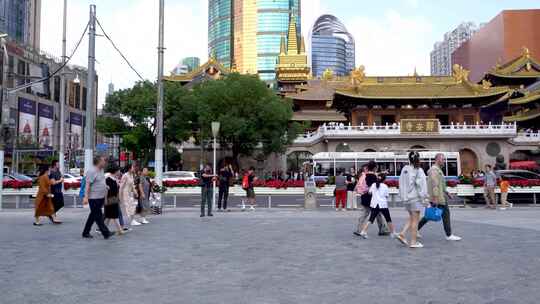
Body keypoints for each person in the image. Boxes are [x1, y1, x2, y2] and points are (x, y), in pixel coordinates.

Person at [418, 153, 462, 241]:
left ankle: (415, 229)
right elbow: (435, 185)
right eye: (443, 159)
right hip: (438, 197)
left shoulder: (437, 170)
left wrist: (446, 192)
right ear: (437, 159)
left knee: (429, 216)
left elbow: (441, 184)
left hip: (440, 196)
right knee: (442, 215)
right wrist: (435, 197)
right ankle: (449, 235)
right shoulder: (434, 170)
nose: (444, 161)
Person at [397, 151, 428, 248]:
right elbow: (422, 186)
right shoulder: (418, 170)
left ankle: (402, 234)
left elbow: (400, 183)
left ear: (409, 159)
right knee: (416, 220)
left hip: (406, 199)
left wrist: (403, 196)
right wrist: (424, 197)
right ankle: (413, 242)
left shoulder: (404, 169)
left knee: (412, 218)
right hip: (415, 198)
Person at [354, 161, 389, 236]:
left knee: (366, 213)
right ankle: (382, 229)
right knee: (376, 213)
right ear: (375, 168)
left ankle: (359, 229)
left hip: (364, 196)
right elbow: (373, 187)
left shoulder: (364, 175)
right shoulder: (372, 176)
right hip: (371, 197)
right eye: (376, 167)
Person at [82, 156, 113, 239]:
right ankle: (106, 233)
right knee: (98, 216)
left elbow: (101, 181)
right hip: (93, 198)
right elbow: (87, 185)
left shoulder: (101, 170)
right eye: (103, 161)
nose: (105, 162)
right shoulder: (91, 171)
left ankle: (85, 232)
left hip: (100, 197)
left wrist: (105, 186)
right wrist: (85, 197)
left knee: (93, 215)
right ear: (99, 161)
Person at [357, 174, 397, 238]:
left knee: (371, 219)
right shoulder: (385, 186)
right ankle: (393, 232)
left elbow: (369, 192)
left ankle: (363, 231)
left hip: (375, 204)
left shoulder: (373, 185)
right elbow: (387, 196)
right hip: (383, 204)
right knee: (388, 218)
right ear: (384, 180)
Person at [104, 165, 124, 235]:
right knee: (114, 215)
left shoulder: (115, 179)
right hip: (109, 199)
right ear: (115, 171)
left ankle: (103, 229)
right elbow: (106, 190)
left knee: (108, 216)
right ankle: (120, 230)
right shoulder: (108, 179)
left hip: (114, 199)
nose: (119, 172)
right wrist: (105, 200)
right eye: (118, 170)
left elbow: (117, 190)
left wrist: (118, 198)